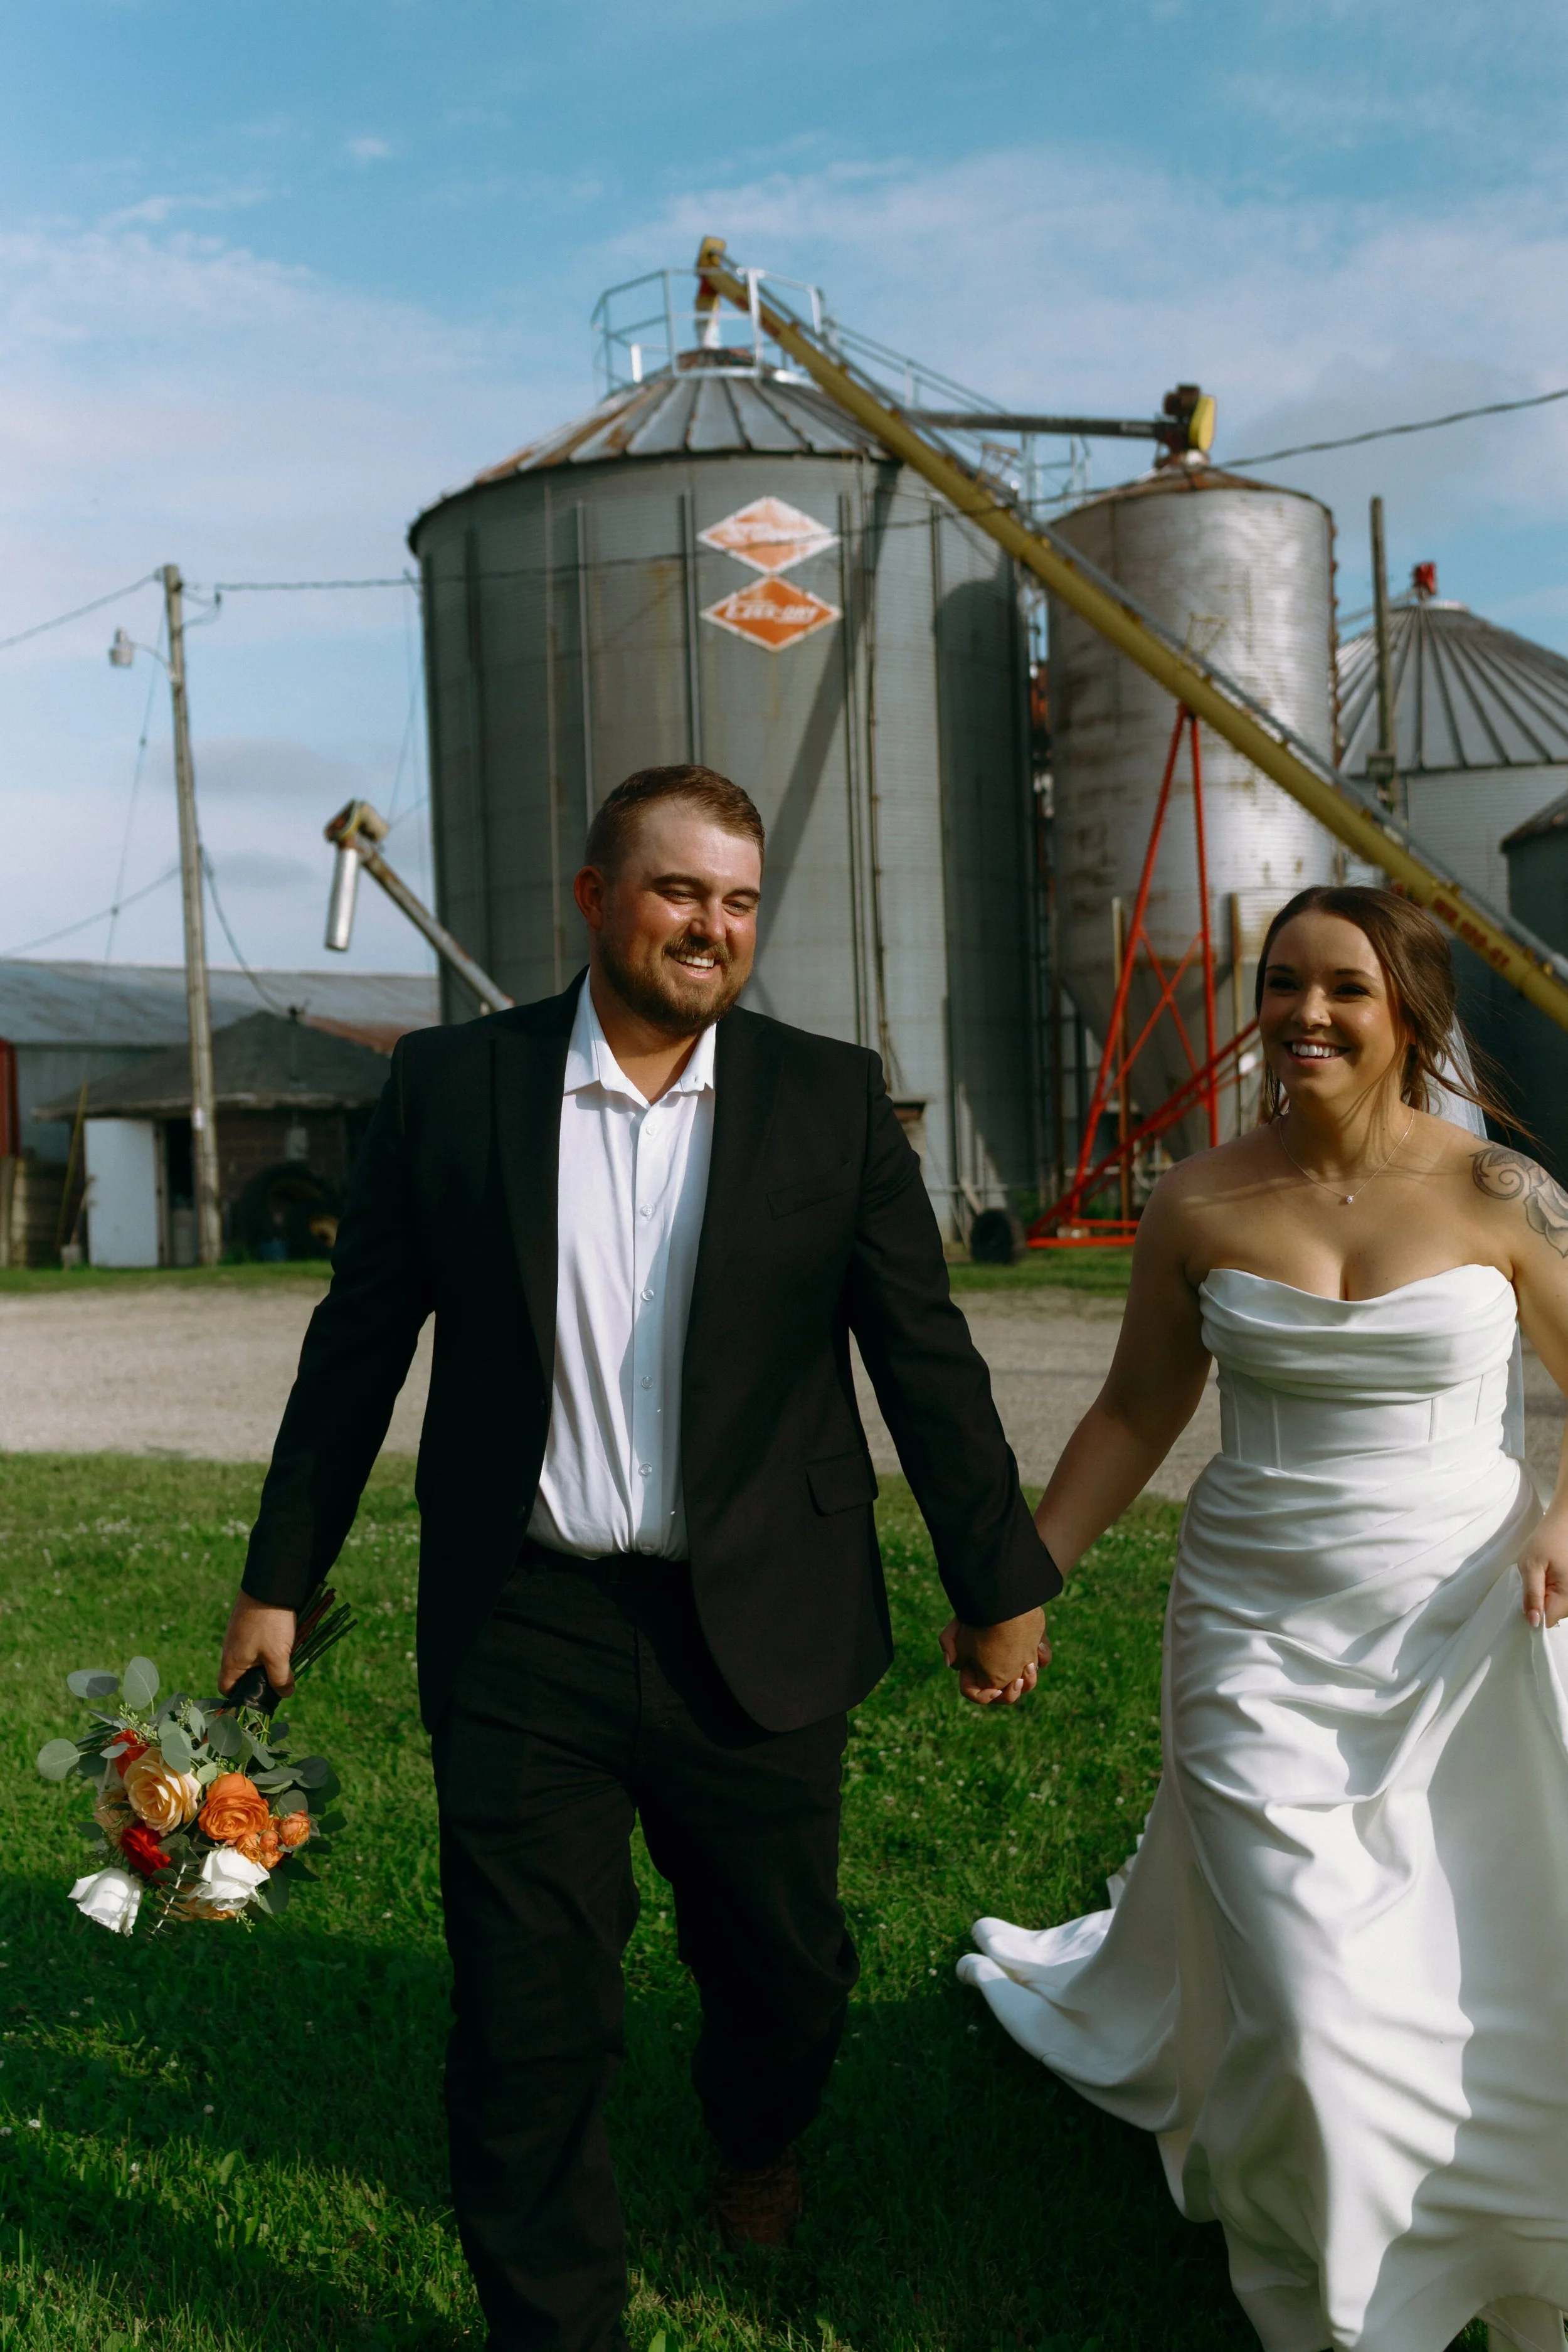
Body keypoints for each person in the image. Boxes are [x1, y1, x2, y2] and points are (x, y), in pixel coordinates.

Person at [220, 763, 1059, 2352]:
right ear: (596, 898)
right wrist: (281, 1572)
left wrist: (992, 1579)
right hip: (527, 1619)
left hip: (760, 1617)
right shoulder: (453, 1089)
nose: (712, 927)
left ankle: (755, 2136)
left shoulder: (824, 1097)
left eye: (739, 902)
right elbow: (355, 1350)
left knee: (784, 1973)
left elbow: (924, 1360)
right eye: (680, 891)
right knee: (530, 2015)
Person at [956, 885, 1568, 2352]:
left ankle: (1501, 2233)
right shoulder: (1195, 1198)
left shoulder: (1504, 1195)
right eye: (1280, 983)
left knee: (1470, 1954)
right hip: (1256, 1626)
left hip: (1465, 1619)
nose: (1304, 1014)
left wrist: (1560, 1511)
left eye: (1343, 988)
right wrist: (1018, 1583)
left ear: (1407, 1011)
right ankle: (1339, 2298)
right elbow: (1131, 1409)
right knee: (1307, 1993)